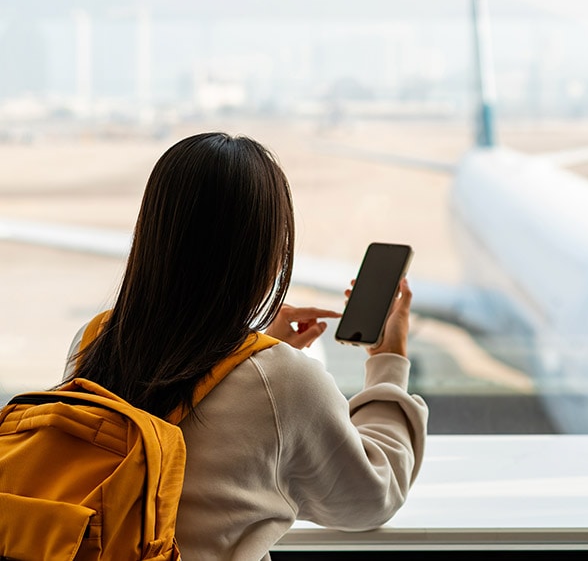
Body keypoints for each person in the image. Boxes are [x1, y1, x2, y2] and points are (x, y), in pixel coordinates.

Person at [62, 131, 428, 560]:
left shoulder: (94, 340)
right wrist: (388, 358)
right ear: (270, 254)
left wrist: (250, 354)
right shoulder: (284, 382)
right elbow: (371, 496)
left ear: (151, 235)